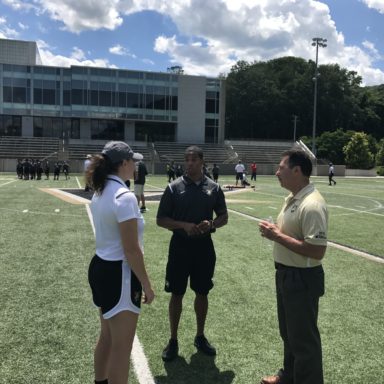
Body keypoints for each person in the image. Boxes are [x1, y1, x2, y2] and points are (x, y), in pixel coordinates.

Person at [86, 141, 155, 384]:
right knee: (121, 348)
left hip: (101, 266)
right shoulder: (124, 197)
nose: (135, 165)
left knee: (106, 336)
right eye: (133, 161)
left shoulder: (101, 190)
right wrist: (146, 284)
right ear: (124, 163)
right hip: (120, 274)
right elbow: (132, 250)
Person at [258, 149, 328, 384]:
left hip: (302, 278)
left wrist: (276, 236)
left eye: (281, 168)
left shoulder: (312, 205)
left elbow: (317, 250)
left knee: (304, 340)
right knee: (288, 333)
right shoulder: (293, 198)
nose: (277, 172)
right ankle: (289, 376)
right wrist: (275, 234)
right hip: (287, 274)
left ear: (297, 171)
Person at [157, 145, 228, 362]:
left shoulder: (214, 188)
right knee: (176, 293)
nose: (189, 163)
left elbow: (224, 216)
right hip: (179, 247)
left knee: (202, 292)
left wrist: (211, 224)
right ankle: (173, 340)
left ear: (202, 162)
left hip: (204, 248)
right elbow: (161, 219)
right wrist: (183, 225)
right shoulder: (173, 188)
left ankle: (199, 336)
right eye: (186, 160)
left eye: (194, 160)